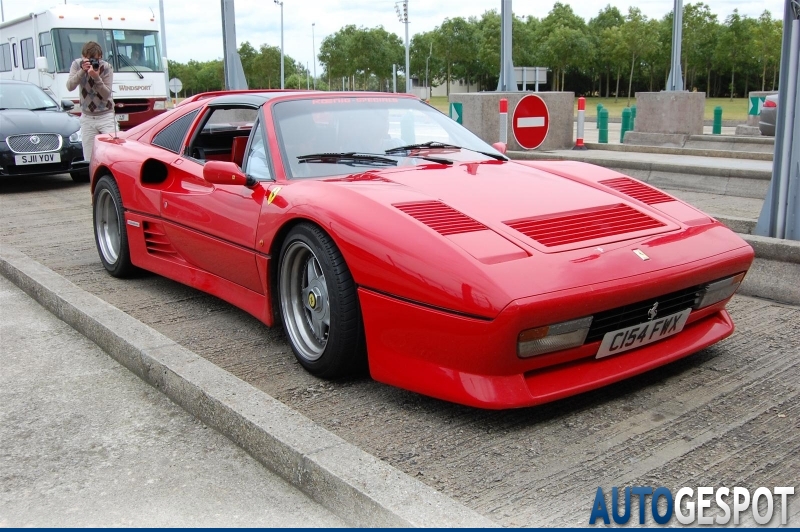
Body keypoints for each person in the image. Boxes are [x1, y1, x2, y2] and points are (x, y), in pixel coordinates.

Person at [66, 41, 115, 161]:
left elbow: (106, 94)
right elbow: (69, 86)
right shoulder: (77, 65)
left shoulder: (106, 67)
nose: (94, 63)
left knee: (111, 153)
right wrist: (82, 71)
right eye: (90, 60)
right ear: (83, 57)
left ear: (101, 57)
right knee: (89, 158)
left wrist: (96, 77)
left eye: (96, 60)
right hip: (87, 116)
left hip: (106, 115)